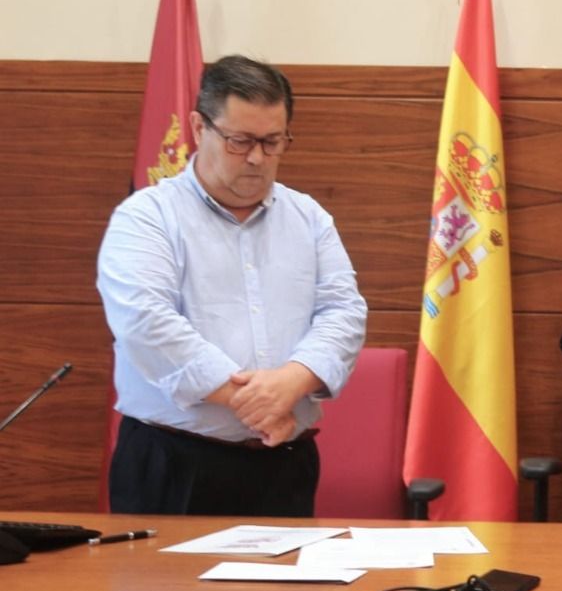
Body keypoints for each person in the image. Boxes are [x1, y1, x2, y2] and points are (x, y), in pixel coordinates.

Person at [97, 55, 367, 516]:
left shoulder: (309, 218)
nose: (257, 158)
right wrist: (257, 404)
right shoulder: (147, 217)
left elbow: (343, 313)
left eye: (272, 141)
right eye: (239, 141)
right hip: (172, 461)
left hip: (284, 462)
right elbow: (146, 323)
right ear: (199, 127)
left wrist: (292, 381)